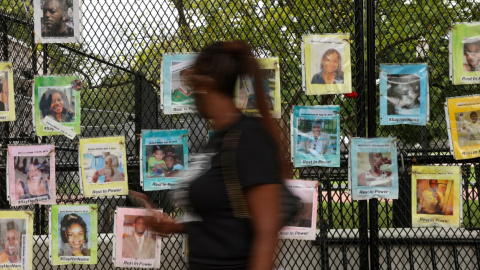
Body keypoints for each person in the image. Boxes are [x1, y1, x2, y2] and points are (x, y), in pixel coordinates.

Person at [146, 41, 284, 270]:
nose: (189, 90)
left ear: (204, 83)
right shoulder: (217, 141)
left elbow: (266, 234)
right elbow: (224, 220)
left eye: (191, 81)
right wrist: (175, 226)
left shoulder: (249, 139)